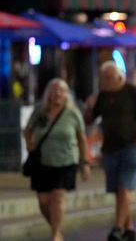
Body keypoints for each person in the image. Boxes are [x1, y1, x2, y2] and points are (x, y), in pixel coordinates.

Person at [85, 61, 136, 241]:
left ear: (118, 77)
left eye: (108, 78)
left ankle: (117, 228)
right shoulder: (103, 95)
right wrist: (89, 107)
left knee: (125, 187)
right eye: (102, 78)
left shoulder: (132, 91)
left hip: (131, 146)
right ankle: (129, 228)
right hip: (110, 148)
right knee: (118, 190)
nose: (104, 81)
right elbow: (89, 120)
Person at [22, 78, 90, 241]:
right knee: (43, 201)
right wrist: (29, 144)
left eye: (61, 90)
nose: (57, 93)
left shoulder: (72, 112)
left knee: (58, 197)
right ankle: (55, 227)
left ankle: (56, 235)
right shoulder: (40, 111)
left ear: (66, 94)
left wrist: (84, 163)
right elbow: (28, 130)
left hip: (66, 161)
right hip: (43, 161)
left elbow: (82, 139)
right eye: (54, 90)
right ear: (48, 94)